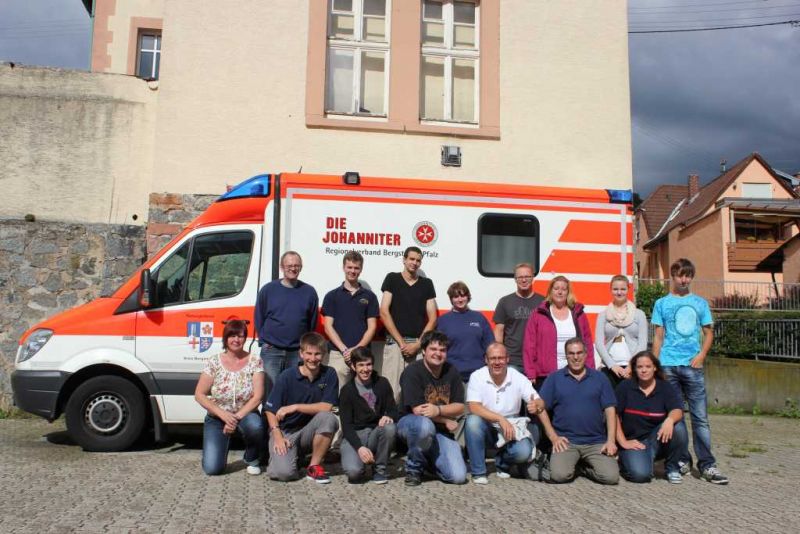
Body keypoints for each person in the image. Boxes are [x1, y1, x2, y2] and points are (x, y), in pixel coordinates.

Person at [652, 258, 729, 485]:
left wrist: (701, 356)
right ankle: (682, 459)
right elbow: (658, 336)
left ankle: (707, 465)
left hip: (692, 366)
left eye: (688, 275)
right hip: (668, 365)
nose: (684, 279)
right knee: (676, 418)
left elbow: (709, 333)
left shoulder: (700, 303)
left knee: (700, 418)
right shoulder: (661, 304)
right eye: (680, 275)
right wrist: (657, 366)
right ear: (672, 277)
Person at [537, 337, 619, 485]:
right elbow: (540, 409)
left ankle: (583, 469)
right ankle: (570, 464)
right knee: (559, 476)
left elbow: (610, 409)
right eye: (571, 353)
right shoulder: (554, 378)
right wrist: (554, 437)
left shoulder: (600, 378)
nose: (576, 357)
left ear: (586, 354)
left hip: (596, 441)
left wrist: (611, 441)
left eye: (579, 353)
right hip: (567, 442)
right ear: (566, 355)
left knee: (611, 477)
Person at [464, 343, 545, 484]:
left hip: (512, 426)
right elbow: (474, 407)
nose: (497, 362)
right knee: (472, 422)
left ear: (507, 359)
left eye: (500, 358)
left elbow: (538, 401)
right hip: (487, 424)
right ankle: (478, 472)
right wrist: (499, 418)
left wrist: (536, 405)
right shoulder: (477, 376)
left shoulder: (518, 377)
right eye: (493, 358)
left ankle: (502, 462)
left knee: (524, 452)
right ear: (486, 360)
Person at [263, 332, 339, 483]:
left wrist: (295, 407)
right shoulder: (287, 376)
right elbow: (270, 410)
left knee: (329, 418)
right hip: (285, 432)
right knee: (283, 474)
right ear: (301, 354)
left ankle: (313, 467)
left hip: (308, 431)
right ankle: (293, 458)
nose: (312, 358)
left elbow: (326, 406)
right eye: (308, 353)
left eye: (317, 354)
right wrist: (277, 436)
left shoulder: (329, 374)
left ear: (324, 354)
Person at [194, 319, 265, 476]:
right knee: (212, 469)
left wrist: (234, 418)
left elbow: (258, 397)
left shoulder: (255, 361)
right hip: (217, 417)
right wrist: (223, 415)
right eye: (232, 336)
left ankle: (251, 457)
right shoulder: (214, 361)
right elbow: (199, 394)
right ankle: (219, 452)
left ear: (245, 338)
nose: (236, 340)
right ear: (225, 338)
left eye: (240, 336)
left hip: (245, 414)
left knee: (256, 426)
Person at [396, 330, 467, 486]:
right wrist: (445, 419)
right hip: (410, 424)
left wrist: (439, 411)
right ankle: (414, 469)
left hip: (440, 431)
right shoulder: (412, 371)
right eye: (433, 349)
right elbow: (418, 410)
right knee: (424, 425)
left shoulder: (452, 371)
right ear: (423, 350)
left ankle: (429, 462)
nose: (438, 354)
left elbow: (460, 407)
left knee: (458, 476)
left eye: (442, 350)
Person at [616, 350, 688, 484]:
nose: (644, 370)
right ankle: (627, 462)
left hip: (657, 438)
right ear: (634, 369)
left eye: (648, 367)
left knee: (678, 426)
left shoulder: (665, 387)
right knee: (641, 476)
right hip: (634, 441)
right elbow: (613, 415)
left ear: (655, 368)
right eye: (640, 367)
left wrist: (670, 420)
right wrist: (623, 442)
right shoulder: (625, 387)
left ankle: (672, 468)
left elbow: (678, 409)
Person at [254, 251, 319, 390]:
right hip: (272, 350)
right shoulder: (268, 290)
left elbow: (312, 323)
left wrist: (304, 347)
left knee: (295, 390)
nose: (293, 268)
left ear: (301, 267)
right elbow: (259, 318)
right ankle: (268, 413)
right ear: (282, 267)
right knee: (270, 390)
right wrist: (265, 342)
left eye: (296, 265)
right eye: (289, 265)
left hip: (297, 352)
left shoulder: (309, 292)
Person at [380, 246, 437, 400]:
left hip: (418, 347)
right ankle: (390, 424)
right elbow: (384, 311)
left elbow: (432, 317)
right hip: (395, 345)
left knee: (417, 393)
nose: (415, 263)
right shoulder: (392, 279)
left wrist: (418, 345)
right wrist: (402, 343)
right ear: (404, 260)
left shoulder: (427, 284)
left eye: (418, 260)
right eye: (411, 259)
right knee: (391, 392)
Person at [523, 275, 594, 390]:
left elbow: (588, 343)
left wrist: (590, 368)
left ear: (568, 292)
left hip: (575, 372)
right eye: (556, 289)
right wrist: (530, 372)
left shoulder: (578, 313)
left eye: (563, 289)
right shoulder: (538, 314)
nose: (560, 292)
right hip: (546, 374)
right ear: (550, 291)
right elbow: (529, 345)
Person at [338, 346, 398, 484]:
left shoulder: (382, 383)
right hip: (355, 434)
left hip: (376, 431)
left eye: (369, 364)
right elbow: (346, 426)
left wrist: (389, 417)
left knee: (390, 428)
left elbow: (394, 410)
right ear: (353, 367)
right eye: (361, 365)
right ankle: (361, 462)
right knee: (354, 474)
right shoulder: (347, 391)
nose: (365, 369)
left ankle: (380, 469)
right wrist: (359, 448)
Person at [321, 250, 379, 390]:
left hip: (363, 354)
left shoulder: (370, 297)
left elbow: (372, 327)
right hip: (338, 354)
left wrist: (357, 348)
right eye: (350, 267)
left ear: (361, 269)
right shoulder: (332, 296)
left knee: (363, 393)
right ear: (344, 267)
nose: (353, 271)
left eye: (356, 268)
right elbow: (328, 326)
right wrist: (345, 350)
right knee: (337, 393)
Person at [595, 275, 649, 387]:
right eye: (615, 289)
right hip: (609, 368)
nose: (619, 292)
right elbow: (599, 343)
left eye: (623, 289)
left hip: (633, 368)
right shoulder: (603, 315)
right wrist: (612, 365)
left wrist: (631, 365)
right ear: (611, 290)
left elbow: (642, 343)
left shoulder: (639, 314)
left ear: (628, 289)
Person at [437, 281, 495, 382]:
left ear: (468, 297)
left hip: (478, 374)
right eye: (456, 297)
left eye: (463, 296)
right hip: (451, 373)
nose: (460, 299)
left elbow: (490, 345)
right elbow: (438, 348)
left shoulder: (479, 318)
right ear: (451, 299)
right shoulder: (443, 321)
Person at [493, 263, 544, 374]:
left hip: (536, 360)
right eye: (520, 277)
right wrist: (501, 355)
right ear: (515, 279)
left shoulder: (543, 302)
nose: (524, 280)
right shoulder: (505, 302)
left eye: (527, 276)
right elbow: (499, 330)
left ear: (532, 277)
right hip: (512, 361)